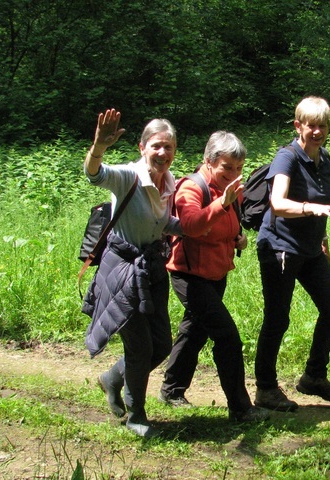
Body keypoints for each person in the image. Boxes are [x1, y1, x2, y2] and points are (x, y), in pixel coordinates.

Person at [81, 108, 183, 438]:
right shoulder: (128, 176)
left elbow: (161, 222)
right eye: (156, 146)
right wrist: (98, 146)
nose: (162, 153)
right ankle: (136, 415)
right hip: (121, 269)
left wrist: (204, 225)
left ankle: (112, 378)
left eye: (168, 147)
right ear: (142, 148)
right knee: (139, 347)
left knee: (162, 346)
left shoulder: (168, 183)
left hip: (150, 269)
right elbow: (94, 174)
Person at [159, 131, 269, 423]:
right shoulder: (191, 189)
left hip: (216, 272)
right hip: (189, 274)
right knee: (227, 337)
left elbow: (229, 223)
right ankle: (241, 408)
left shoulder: (229, 189)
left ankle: (171, 389)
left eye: (238, 168)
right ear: (209, 161)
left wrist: (238, 237)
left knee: (195, 330)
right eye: (227, 167)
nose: (234, 173)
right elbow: (191, 225)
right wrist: (221, 204)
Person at [253, 96, 330, 412]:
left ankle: (314, 377)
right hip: (279, 248)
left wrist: (323, 235)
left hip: (310, 249)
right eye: (312, 126)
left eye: (323, 126)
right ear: (298, 126)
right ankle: (265, 389)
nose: (318, 132)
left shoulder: (325, 159)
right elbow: (277, 204)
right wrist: (312, 209)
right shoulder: (287, 158)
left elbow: (323, 199)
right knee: (278, 318)